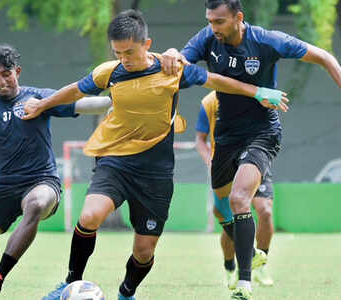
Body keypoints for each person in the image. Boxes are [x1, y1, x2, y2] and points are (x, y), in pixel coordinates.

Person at [21, 9, 288, 300]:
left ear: (146, 44)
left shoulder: (171, 69)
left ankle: (127, 292)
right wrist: (42, 105)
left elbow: (216, 81)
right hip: (115, 161)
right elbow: (76, 90)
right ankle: (70, 282)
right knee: (89, 216)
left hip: (156, 173)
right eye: (118, 52)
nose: (124, 58)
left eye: (130, 52)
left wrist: (257, 91)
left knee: (144, 250)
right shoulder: (109, 71)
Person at [161, 0, 341, 298]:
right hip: (227, 135)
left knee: (239, 198)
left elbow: (323, 56)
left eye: (219, 21)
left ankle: (244, 283)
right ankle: (249, 252)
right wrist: (171, 54)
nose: (213, 27)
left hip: (263, 132)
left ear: (238, 18)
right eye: (210, 20)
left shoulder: (266, 41)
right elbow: (181, 60)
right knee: (222, 208)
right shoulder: (207, 38)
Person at [0, 44, 112, 300]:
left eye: (6, 73)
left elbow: (89, 104)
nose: (2, 81)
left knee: (35, 203)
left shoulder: (40, 99)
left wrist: (123, 99)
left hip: (42, 182)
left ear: (17, 71)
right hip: (0, 189)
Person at [195, 91, 274, 289]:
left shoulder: (253, 92)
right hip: (225, 162)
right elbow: (200, 139)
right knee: (228, 215)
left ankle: (260, 263)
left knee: (265, 210)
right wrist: (210, 162)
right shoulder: (209, 102)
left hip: (253, 157)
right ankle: (231, 268)